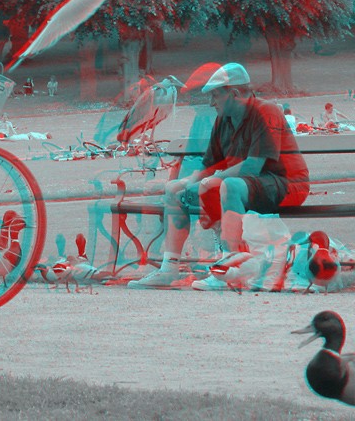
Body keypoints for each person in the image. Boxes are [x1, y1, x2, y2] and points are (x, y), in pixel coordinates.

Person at [129, 62, 310, 291]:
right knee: (175, 190)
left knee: (229, 186)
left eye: (216, 96)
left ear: (233, 94)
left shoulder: (266, 112)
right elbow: (209, 165)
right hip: (249, 184)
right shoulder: (224, 118)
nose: (211, 103)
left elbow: (253, 166)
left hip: (287, 184)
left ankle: (229, 269)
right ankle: (169, 268)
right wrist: (186, 183)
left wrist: (213, 180)